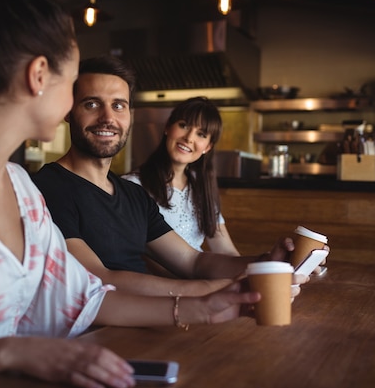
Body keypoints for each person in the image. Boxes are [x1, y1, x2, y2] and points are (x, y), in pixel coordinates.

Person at [0, 0, 262, 387]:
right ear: (38, 76)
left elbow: (85, 297)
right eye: (72, 87)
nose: (73, 104)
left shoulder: (21, 188)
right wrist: (9, 351)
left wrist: (207, 306)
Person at [32, 55, 311, 298]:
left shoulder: (133, 196)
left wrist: (268, 263)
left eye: (119, 105)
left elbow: (193, 262)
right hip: (89, 339)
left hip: (150, 325)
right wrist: (213, 291)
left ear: (130, 115)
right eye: (92, 104)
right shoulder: (47, 188)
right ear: (68, 111)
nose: (108, 117)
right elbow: (98, 278)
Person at [122, 96, 240, 256]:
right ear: (168, 127)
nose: (189, 138)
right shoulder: (133, 185)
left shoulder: (201, 187)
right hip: (161, 279)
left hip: (198, 276)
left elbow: (225, 250)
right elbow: (138, 256)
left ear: (208, 147)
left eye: (201, 134)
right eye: (184, 125)